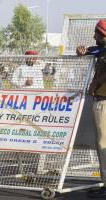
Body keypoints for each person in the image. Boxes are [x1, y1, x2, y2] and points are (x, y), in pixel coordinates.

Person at [76, 19, 106, 197]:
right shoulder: (100, 49)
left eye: (96, 33)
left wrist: (95, 83)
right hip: (100, 100)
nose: (94, 36)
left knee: (103, 143)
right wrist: (81, 51)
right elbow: (85, 51)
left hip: (104, 101)